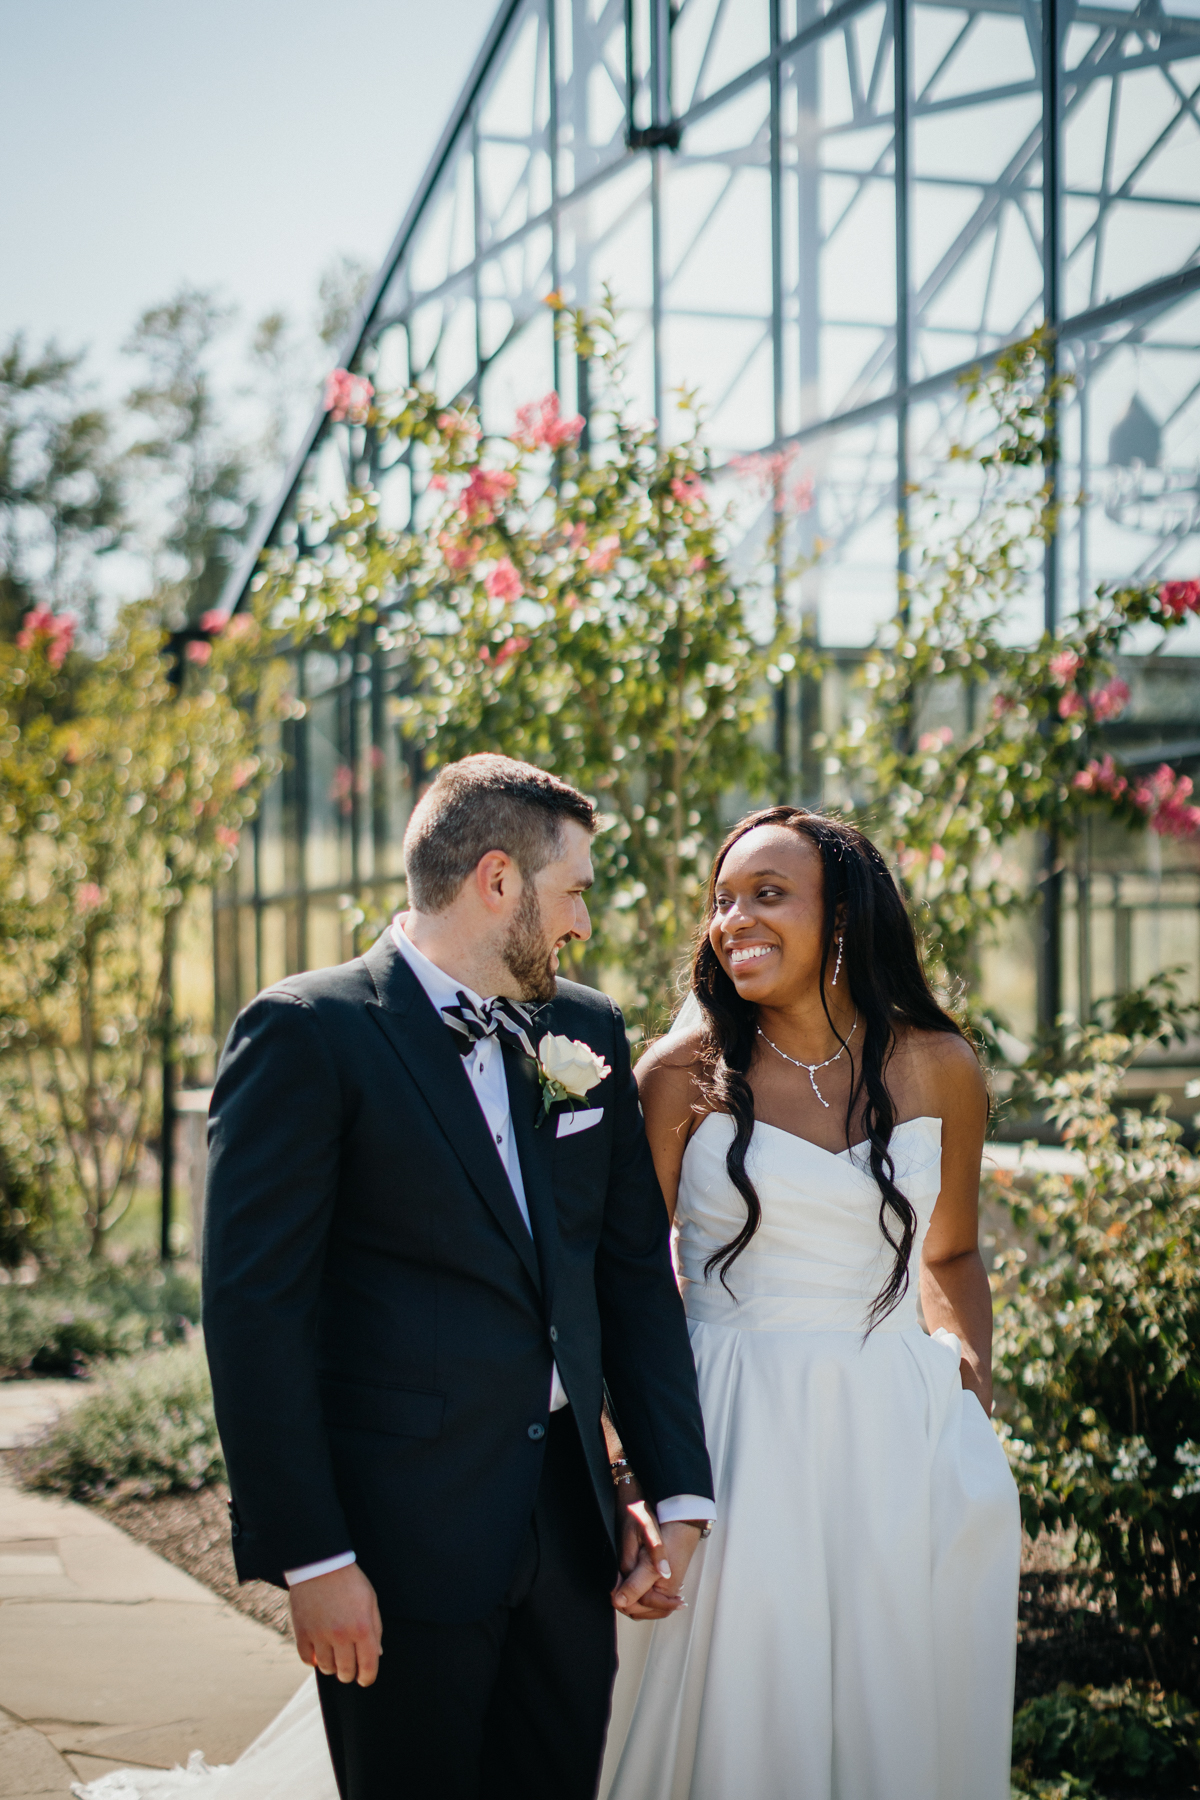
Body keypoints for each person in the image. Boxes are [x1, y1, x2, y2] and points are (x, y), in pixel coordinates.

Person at [196, 754, 714, 1800]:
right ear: (496, 881)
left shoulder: (586, 1031)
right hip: (396, 1545)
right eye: (572, 891)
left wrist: (676, 1489)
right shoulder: (307, 1034)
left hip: (571, 1538)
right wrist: (312, 1558)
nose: (580, 923)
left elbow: (626, 1273)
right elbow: (257, 1314)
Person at [597, 805, 1021, 1800]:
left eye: (767, 894)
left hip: (887, 1434)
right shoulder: (679, 1077)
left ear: (843, 918)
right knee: (731, 1694)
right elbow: (620, 1283)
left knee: (877, 1706)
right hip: (725, 1423)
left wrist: (965, 1381)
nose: (732, 918)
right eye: (722, 899)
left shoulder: (940, 1067)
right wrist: (626, 1462)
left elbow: (951, 1251)